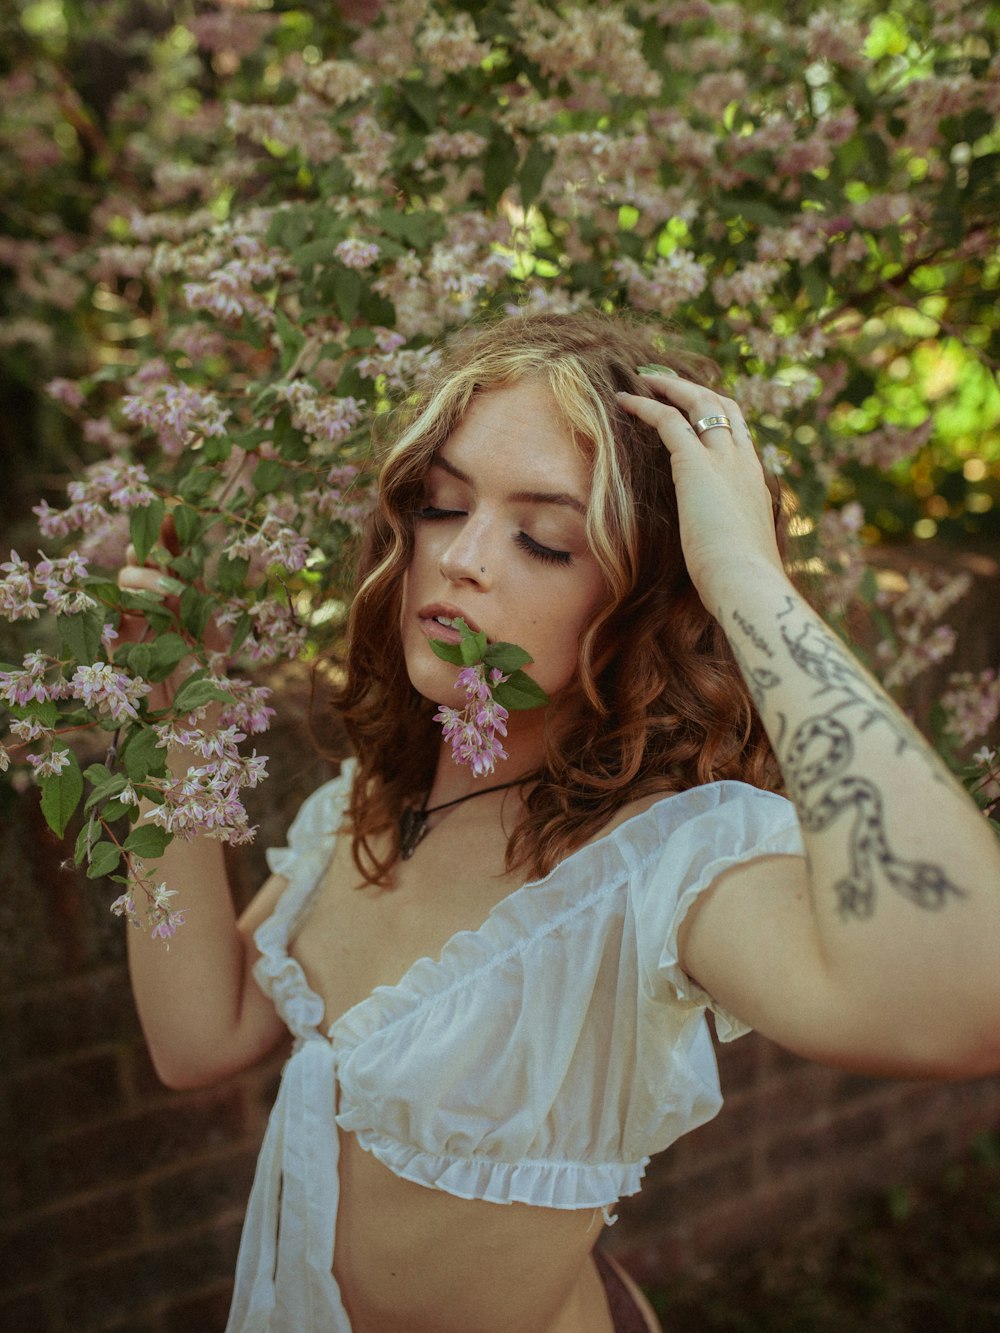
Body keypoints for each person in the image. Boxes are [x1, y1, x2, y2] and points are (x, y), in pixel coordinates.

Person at [119, 311, 1000, 1333]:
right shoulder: (367, 805)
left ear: (645, 599)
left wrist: (745, 576)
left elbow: (960, 998)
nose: (465, 559)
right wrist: (169, 709)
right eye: (441, 506)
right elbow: (197, 1038)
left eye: (544, 537)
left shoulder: (661, 868)